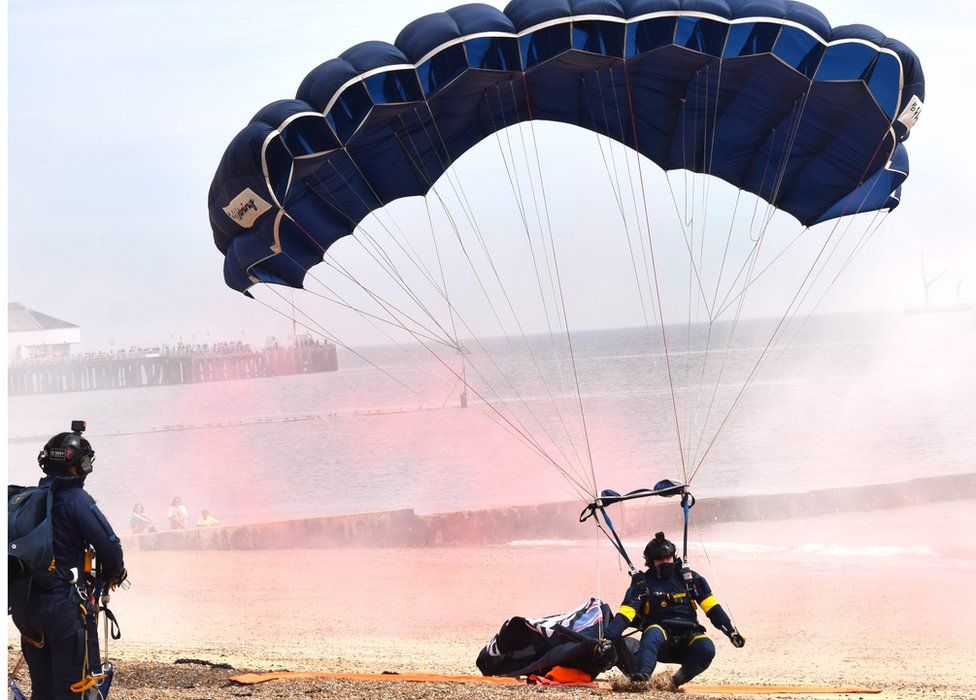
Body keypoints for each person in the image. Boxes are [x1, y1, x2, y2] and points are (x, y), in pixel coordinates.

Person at [10, 422, 127, 699]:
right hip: (63, 609)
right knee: (71, 689)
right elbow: (110, 548)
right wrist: (115, 574)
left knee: (42, 688)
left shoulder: (27, 498)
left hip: (25, 608)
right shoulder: (77, 499)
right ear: (80, 465)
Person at [604, 532, 745, 688]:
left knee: (706, 648)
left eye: (668, 558)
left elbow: (712, 608)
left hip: (688, 637)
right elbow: (626, 614)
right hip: (659, 640)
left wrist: (730, 632)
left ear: (674, 557)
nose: (665, 562)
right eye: (660, 560)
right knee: (652, 633)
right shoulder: (642, 584)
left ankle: (672, 683)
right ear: (651, 562)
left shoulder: (690, 580)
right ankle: (641, 680)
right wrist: (607, 638)